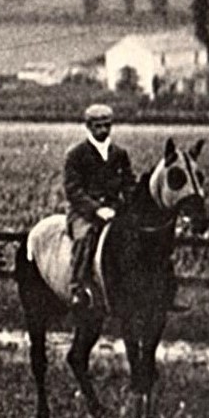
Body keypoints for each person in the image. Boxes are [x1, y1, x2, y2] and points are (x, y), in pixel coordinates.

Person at [64, 102, 135, 310]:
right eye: (98, 126)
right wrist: (96, 209)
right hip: (83, 213)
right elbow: (73, 190)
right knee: (84, 238)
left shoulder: (119, 154)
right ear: (88, 127)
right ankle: (78, 288)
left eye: (107, 125)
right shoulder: (76, 155)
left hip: (114, 209)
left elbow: (129, 183)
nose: (103, 130)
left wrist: (130, 203)